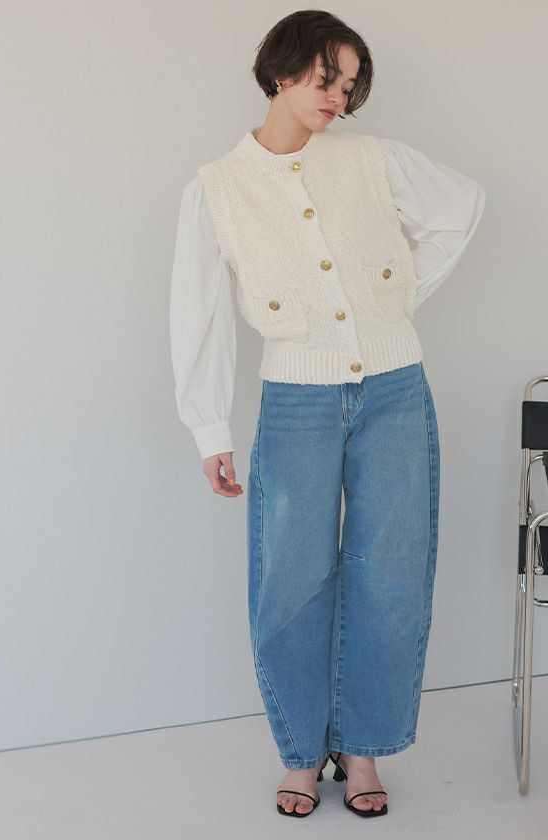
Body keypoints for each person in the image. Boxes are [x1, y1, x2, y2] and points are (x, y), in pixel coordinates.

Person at [169, 9, 486, 819]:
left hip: (395, 390)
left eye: (349, 86)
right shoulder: (217, 188)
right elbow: (198, 314)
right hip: (296, 402)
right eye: (326, 79)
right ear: (283, 71)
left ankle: (363, 748)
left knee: (391, 572)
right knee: (291, 578)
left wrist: (395, 296)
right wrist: (209, 427)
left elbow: (463, 205)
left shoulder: (373, 159)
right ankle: (301, 753)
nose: (338, 98)